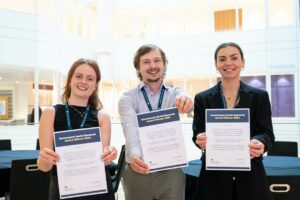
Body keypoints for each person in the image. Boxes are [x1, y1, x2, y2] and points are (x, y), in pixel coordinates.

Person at [192, 42, 275, 200]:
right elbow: (197, 133)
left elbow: (267, 133)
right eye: (222, 59)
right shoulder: (202, 98)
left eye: (234, 58)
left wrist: (260, 142)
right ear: (216, 64)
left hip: (250, 175)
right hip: (214, 177)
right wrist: (200, 139)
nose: (228, 63)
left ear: (243, 62)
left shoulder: (260, 97)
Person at [118, 44, 193, 200]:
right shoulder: (127, 98)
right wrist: (135, 158)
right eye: (146, 62)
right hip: (137, 171)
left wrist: (187, 100)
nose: (152, 66)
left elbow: (185, 96)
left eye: (157, 60)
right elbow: (131, 130)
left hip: (170, 173)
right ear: (138, 67)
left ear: (164, 64)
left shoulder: (175, 94)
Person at [37, 58, 117, 200]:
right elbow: (45, 167)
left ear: (95, 85)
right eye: (78, 76)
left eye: (90, 78)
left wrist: (110, 154)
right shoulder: (50, 113)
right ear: (69, 80)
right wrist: (43, 159)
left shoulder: (103, 118)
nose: (83, 81)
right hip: (63, 190)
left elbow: (102, 161)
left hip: (96, 190)